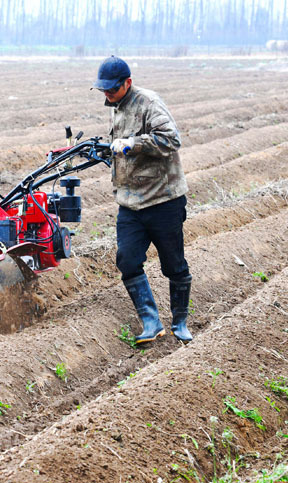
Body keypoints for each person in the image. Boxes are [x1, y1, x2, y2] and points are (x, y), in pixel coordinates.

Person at [92, 55, 192, 343]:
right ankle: (151, 321)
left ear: (128, 83)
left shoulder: (149, 102)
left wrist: (132, 145)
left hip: (163, 200)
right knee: (127, 260)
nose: (108, 95)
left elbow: (171, 139)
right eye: (104, 90)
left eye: (112, 89)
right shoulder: (117, 107)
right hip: (130, 203)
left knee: (174, 264)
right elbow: (121, 148)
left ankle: (180, 322)